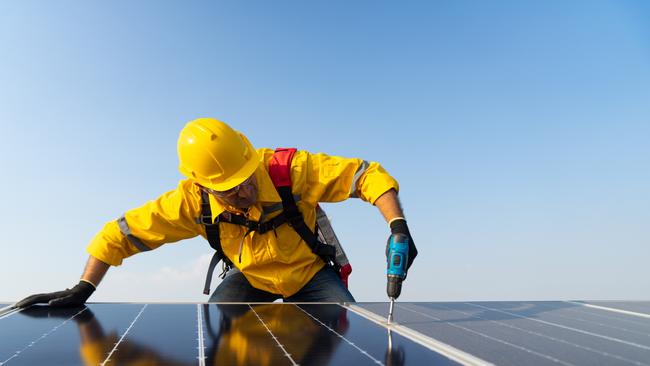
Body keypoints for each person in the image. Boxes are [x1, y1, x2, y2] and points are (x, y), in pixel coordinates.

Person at [16, 118, 417, 307]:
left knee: (346, 330)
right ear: (203, 185)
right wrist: (84, 287)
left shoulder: (288, 170)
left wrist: (397, 225)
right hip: (251, 278)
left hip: (309, 275)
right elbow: (118, 233)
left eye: (245, 178)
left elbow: (367, 176)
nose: (243, 191)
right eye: (229, 189)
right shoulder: (191, 202)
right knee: (216, 325)